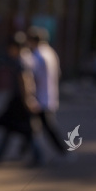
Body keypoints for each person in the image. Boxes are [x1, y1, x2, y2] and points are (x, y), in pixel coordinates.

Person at [0, 33, 43, 166]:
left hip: (20, 101)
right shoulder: (26, 58)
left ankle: (38, 157)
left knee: (26, 132)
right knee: (9, 129)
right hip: (19, 100)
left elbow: (25, 81)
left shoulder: (20, 61)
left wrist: (28, 99)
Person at [26, 27, 70, 157]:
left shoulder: (37, 55)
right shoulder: (50, 52)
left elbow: (33, 77)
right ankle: (29, 151)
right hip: (50, 94)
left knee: (47, 127)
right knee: (35, 126)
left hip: (40, 97)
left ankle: (62, 151)